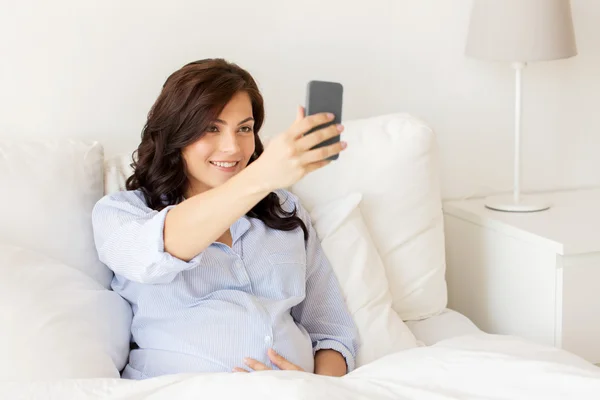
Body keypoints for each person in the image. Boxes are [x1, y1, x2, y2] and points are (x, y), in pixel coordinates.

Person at [91, 58, 359, 380]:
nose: (232, 148)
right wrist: (262, 176)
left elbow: (332, 332)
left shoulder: (283, 210)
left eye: (244, 129)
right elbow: (159, 249)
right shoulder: (122, 213)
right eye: (211, 128)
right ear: (176, 133)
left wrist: (315, 387)